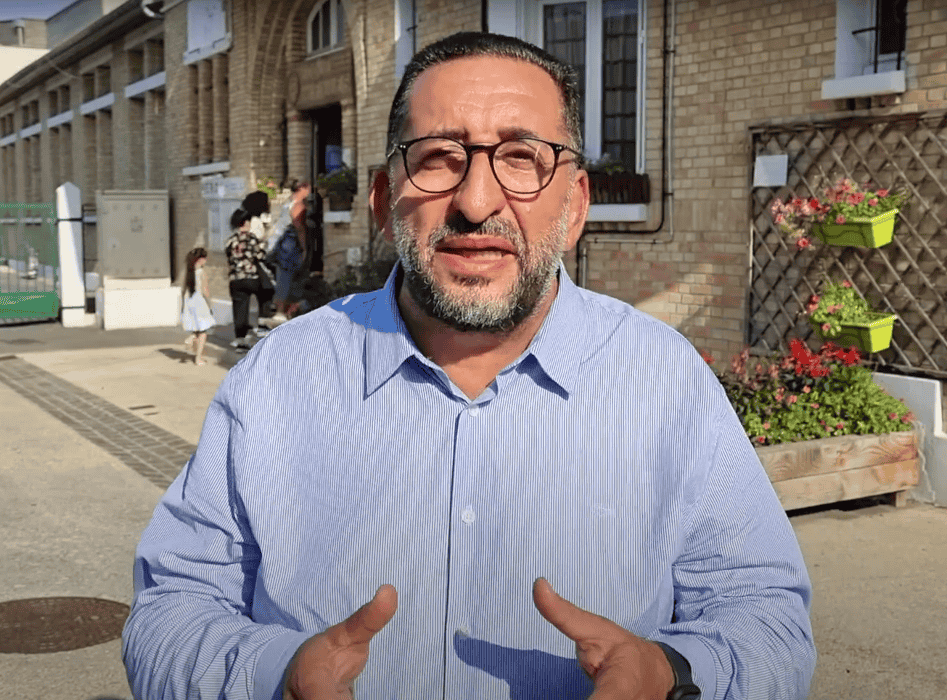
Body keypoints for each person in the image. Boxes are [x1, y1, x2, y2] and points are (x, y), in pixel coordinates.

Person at [123, 32, 815, 700]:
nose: (477, 202)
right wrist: (274, 676)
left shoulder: (666, 379)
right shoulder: (279, 378)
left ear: (575, 204)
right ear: (382, 202)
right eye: (437, 157)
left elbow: (764, 614)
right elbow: (171, 606)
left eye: (521, 157)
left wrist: (673, 673)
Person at [225, 207, 274, 351]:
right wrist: (263, 245)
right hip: (252, 278)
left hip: (235, 280)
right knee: (266, 294)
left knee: (239, 310)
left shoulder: (230, 241)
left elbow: (230, 258)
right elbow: (260, 256)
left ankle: (240, 342)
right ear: (245, 222)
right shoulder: (251, 238)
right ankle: (263, 326)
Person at [267, 178, 311, 321]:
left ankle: (283, 309)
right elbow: (299, 227)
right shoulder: (298, 205)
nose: (309, 193)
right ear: (302, 189)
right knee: (287, 276)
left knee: (283, 275)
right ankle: (281, 311)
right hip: (290, 244)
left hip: (279, 243)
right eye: (307, 189)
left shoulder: (288, 202)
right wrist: (304, 248)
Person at [179, 246, 214, 366]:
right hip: (199, 303)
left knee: (197, 328)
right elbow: (205, 291)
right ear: (200, 259)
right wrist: (210, 304)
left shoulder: (188, 272)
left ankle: (191, 338)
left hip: (189, 302)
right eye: (205, 258)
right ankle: (198, 358)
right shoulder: (202, 273)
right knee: (203, 331)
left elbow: (184, 290)